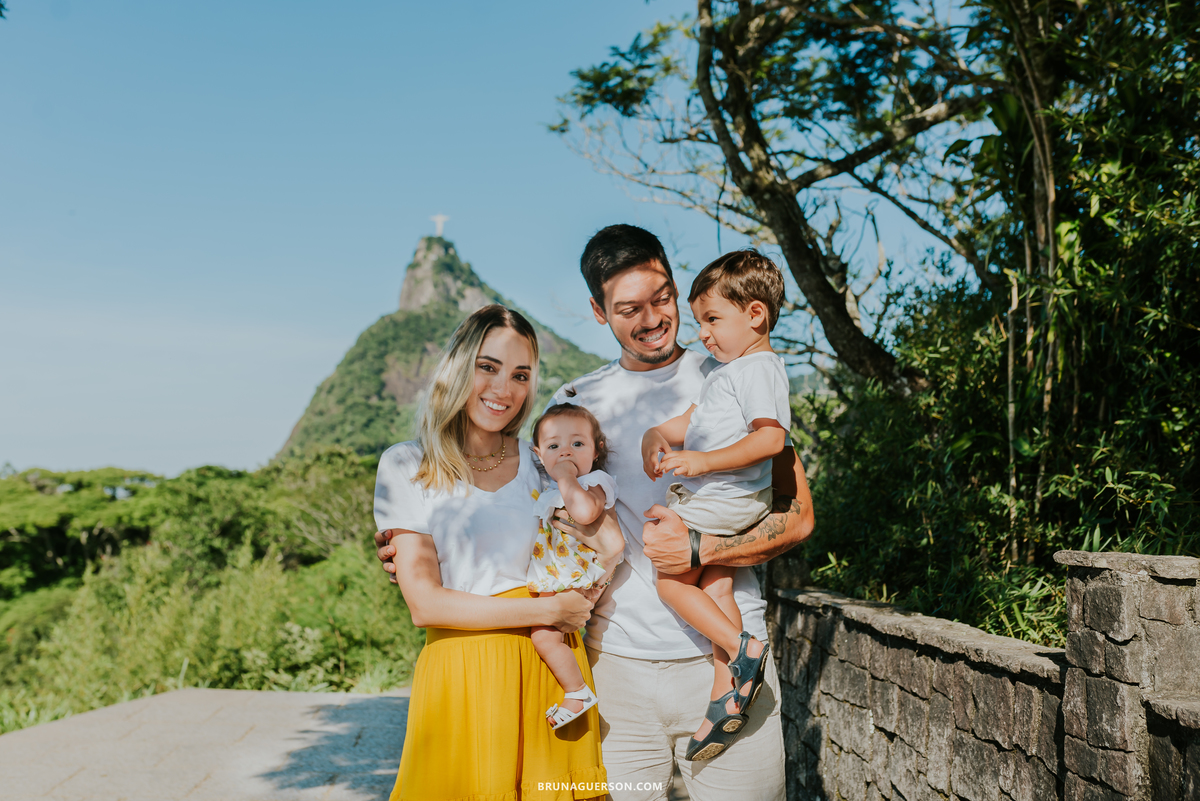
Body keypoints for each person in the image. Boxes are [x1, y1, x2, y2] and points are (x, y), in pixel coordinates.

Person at [377, 226, 814, 801]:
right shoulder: (574, 408)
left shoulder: (733, 373)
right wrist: (415, 551)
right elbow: (518, 511)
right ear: (599, 311)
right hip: (613, 672)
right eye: (630, 308)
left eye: (662, 298)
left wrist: (703, 551)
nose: (654, 318)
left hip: (728, 661)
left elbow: (799, 515)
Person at [373, 304, 622, 801]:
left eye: (520, 375)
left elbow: (610, 545)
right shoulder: (408, 464)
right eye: (488, 367)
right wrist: (549, 608)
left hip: (550, 670)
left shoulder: (544, 463)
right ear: (459, 366)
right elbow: (425, 604)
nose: (503, 389)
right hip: (461, 672)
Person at [641, 250, 790, 761]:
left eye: (713, 319)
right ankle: (729, 689)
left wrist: (702, 462)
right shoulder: (731, 371)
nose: (703, 332)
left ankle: (743, 649)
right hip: (724, 498)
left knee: (668, 578)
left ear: (755, 315)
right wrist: (658, 432)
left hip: (728, 499)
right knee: (715, 580)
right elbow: (694, 418)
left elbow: (771, 441)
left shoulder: (758, 369)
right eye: (700, 318)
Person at [527, 403, 621, 729]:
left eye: (577, 444)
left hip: (579, 571)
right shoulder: (552, 489)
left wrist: (566, 475)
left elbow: (583, 513)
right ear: (539, 455)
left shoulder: (595, 482)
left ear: (597, 450)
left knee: (543, 636)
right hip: (559, 575)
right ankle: (574, 690)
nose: (566, 452)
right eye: (554, 447)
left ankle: (577, 691)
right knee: (545, 634)